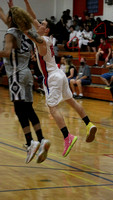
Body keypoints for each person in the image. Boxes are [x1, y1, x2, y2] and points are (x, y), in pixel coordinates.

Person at [23, 0, 97, 157]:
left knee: (52, 108)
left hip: (52, 77)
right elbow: (32, 17)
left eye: (42, 24)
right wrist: (25, 2)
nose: (39, 24)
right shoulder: (46, 38)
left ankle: (67, 137)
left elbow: (28, 32)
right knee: (71, 101)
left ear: (46, 29)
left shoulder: (43, 40)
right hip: (60, 74)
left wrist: (18, 24)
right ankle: (88, 123)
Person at [0, 3, 50, 164]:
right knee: (28, 108)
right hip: (28, 74)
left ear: (11, 19)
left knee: (19, 110)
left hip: (16, 75)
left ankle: (30, 142)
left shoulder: (9, 34)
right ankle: (41, 140)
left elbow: (7, 53)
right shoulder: (27, 33)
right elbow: (40, 41)